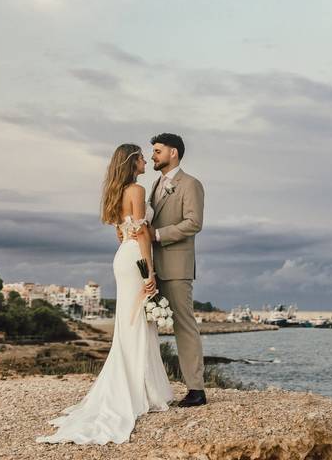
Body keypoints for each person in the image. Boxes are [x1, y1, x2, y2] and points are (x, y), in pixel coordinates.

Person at [37, 144, 173, 445]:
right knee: (137, 321)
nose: (145, 161)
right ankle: (141, 391)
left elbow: (120, 232)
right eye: (141, 157)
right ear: (132, 162)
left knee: (130, 321)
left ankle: (139, 386)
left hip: (122, 255)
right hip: (135, 258)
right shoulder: (136, 190)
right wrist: (149, 271)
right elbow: (141, 233)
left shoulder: (116, 192)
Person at [142, 132, 207, 407]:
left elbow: (194, 222)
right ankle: (148, 387)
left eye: (158, 151)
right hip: (151, 267)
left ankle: (196, 390)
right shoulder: (154, 184)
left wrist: (157, 235)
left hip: (178, 267)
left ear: (173, 153)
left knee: (184, 326)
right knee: (145, 326)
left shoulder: (191, 184)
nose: (153, 156)